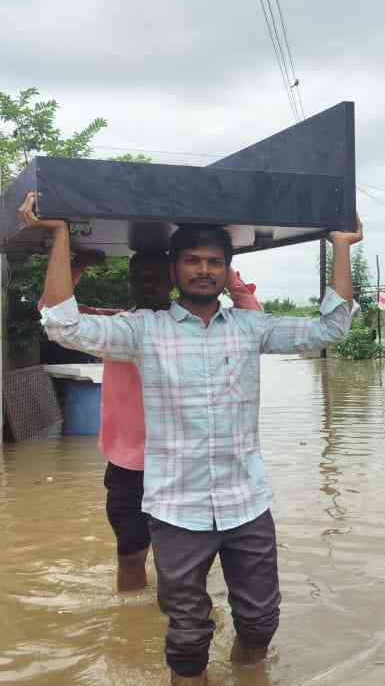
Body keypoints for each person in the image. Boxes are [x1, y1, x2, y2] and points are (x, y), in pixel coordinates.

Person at [20, 192, 361, 686]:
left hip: (247, 503)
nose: (204, 270)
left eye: (214, 262)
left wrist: (342, 246)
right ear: (176, 269)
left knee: (261, 620)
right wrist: (59, 234)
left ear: (227, 271)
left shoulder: (251, 328)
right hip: (177, 508)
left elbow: (330, 328)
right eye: (193, 261)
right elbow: (63, 324)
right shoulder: (142, 331)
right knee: (186, 635)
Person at [37, 248, 263, 592]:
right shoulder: (116, 328)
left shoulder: (200, 331)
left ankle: (183, 627)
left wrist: (227, 274)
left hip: (187, 466)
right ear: (130, 281)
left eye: (156, 276)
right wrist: (77, 265)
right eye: (139, 277)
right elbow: (52, 315)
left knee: (190, 564)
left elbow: (255, 323)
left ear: (172, 279)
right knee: (130, 556)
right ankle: (131, 628)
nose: (146, 283)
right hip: (130, 466)